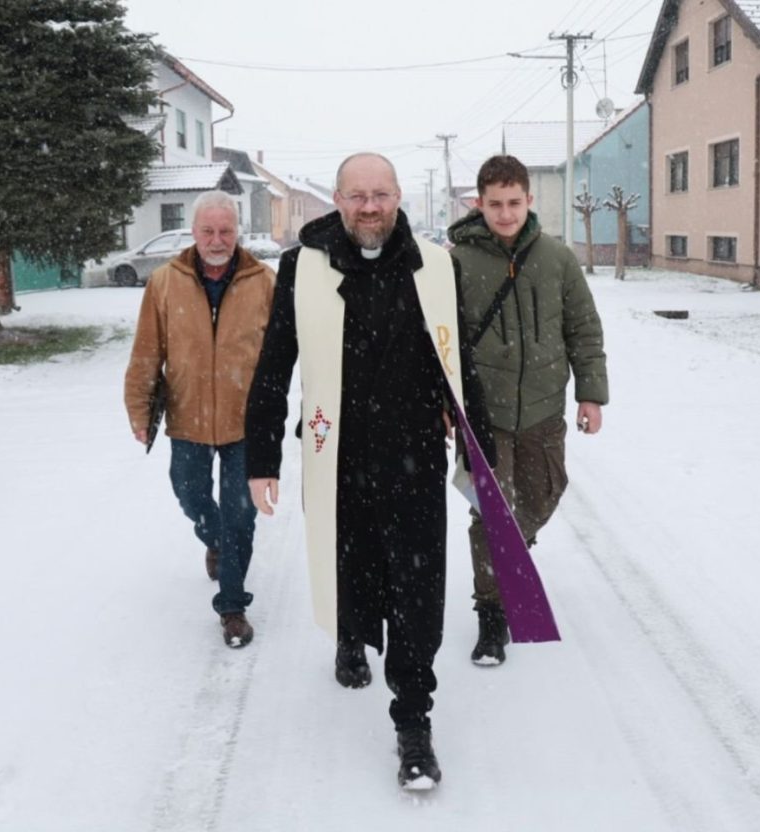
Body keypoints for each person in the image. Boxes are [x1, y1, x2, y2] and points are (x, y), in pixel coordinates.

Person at [245, 152, 495, 791]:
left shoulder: (435, 266)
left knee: (417, 595)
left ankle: (413, 721)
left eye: (380, 194)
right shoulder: (304, 267)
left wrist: (480, 455)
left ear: (399, 196)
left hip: (414, 459)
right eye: (356, 195)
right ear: (337, 198)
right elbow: (275, 366)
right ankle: (351, 637)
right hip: (340, 460)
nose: (369, 207)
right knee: (352, 573)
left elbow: (459, 365)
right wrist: (261, 458)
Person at [448, 154, 608, 667]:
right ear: (479, 204)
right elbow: (438, 342)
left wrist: (591, 393)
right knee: (489, 514)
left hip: (543, 409)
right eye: (494, 204)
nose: (505, 213)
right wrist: (443, 406)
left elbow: (583, 328)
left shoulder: (557, 259)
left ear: (528, 201)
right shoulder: (456, 262)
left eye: (514, 202)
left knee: (542, 495)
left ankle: (512, 550)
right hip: (482, 416)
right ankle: (491, 615)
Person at [123, 190, 275, 649]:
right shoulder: (166, 282)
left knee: (241, 515)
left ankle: (232, 607)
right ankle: (216, 541)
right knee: (190, 496)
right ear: (193, 233)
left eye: (225, 231)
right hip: (187, 418)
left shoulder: (264, 282)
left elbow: (282, 356)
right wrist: (138, 408)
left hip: (244, 422)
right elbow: (147, 351)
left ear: (238, 233)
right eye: (208, 231)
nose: (217, 240)